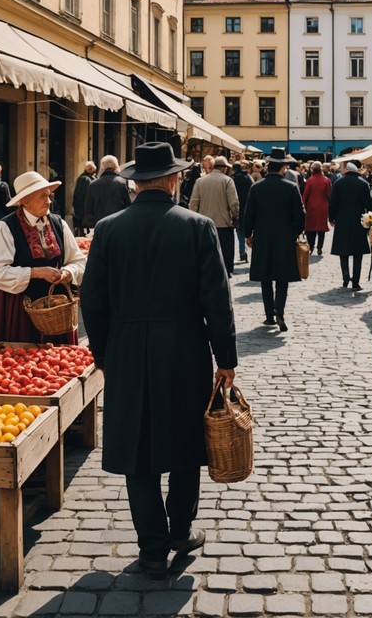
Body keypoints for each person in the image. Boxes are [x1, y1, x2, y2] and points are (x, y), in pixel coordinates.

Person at [80, 141, 237, 578]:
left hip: (128, 349)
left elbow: (92, 301)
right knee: (186, 443)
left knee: (138, 447)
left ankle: (151, 549)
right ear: (173, 180)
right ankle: (181, 530)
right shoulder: (198, 226)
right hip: (185, 349)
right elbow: (217, 300)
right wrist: (226, 357)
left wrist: (103, 353)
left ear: (136, 182)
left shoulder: (109, 229)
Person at [0, 171, 87, 347]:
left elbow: (79, 260)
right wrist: (36, 272)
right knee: (21, 359)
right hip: (18, 306)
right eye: (42, 196)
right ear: (24, 201)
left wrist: (68, 272)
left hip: (56, 307)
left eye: (49, 195)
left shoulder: (58, 224)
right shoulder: (5, 228)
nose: (49, 201)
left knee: (57, 362)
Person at [241, 147, 305, 332]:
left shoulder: (256, 187)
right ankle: (279, 310)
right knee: (282, 277)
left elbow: (249, 214)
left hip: (262, 236)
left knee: (265, 276)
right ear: (284, 167)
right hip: (284, 237)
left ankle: (269, 315)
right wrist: (296, 231)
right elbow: (300, 216)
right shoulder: (291, 187)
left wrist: (248, 234)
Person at [190, 155, 239, 276]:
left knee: (206, 255)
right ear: (223, 168)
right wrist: (235, 216)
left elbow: (193, 203)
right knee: (225, 253)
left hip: (203, 224)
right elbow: (234, 203)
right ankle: (225, 273)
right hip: (223, 224)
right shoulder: (227, 180)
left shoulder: (200, 181)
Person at [329, 162, 371, 290]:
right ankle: (356, 282)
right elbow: (368, 203)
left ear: (346, 170)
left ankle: (346, 276)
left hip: (342, 220)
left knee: (343, 251)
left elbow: (333, 202)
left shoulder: (338, 183)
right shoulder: (363, 183)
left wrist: (331, 218)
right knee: (357, 253)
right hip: (358, 220)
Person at [83, 155, 131, 227]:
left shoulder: (93, 184)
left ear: (102, 168)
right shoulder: (122, 182)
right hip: (118, 225)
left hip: (99, 226)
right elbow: (128, 205)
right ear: (116, 166)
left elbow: (88, 209)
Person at [302, 161, 331, 255]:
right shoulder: (326, 180)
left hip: (311, 207)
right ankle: (319, 247)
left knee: (311, 228)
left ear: (312, 169)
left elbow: (305, 195)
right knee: (321, 228)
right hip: (323, 206)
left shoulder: (310, 180)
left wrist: (303, 205)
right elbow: (329, 194)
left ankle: (311, 246)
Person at [231, 162, 254, 263]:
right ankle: (253, 251)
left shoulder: (232, 179)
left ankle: (242, 251)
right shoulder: (248, 178)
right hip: (248, 207)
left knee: (239, 230)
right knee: (249, 229)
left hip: (237, 207)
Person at [72, 161, 97, 236]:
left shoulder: (80, 178)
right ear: (92, 170)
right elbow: (89, 195)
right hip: (84, 209)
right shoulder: (87, 180)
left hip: (79, 207)